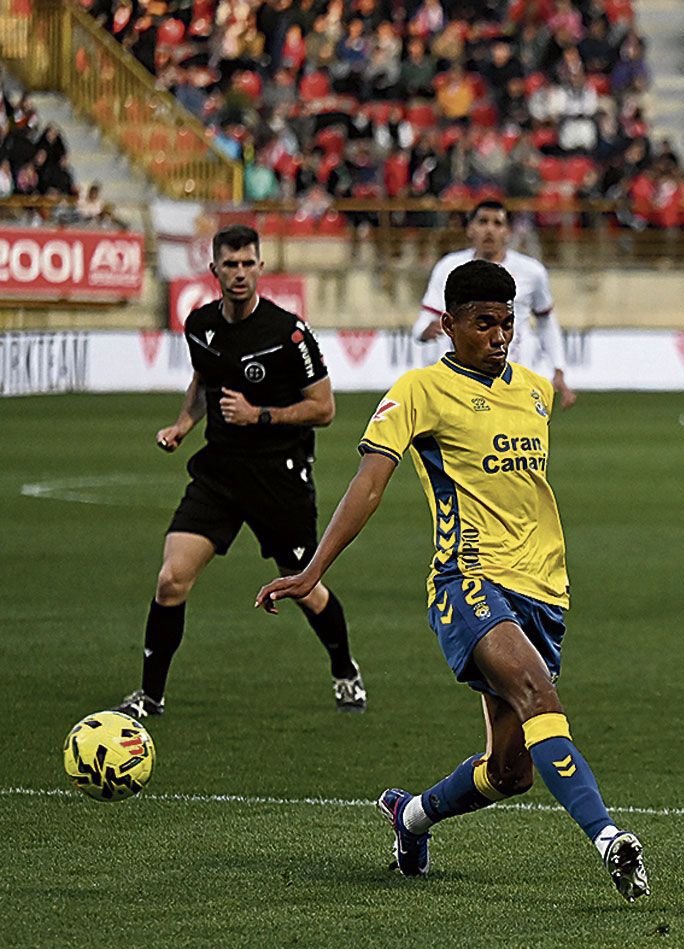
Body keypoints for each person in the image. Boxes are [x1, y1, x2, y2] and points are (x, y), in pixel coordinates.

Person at [256, 261, 647, 901]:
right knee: (539, 694)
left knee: (512, 770)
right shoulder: (418, 391)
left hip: (545, 590)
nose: (500, 335)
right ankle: (609, 839)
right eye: (484, 323)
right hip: (468, 579)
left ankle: (411, 817)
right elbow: (370, 483)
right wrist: (313, 569)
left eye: (508, 322)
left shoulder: (534, 392)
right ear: (448, 325)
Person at [121, 224, 363, 718]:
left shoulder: (289, 333)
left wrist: (261, 416)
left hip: (279, 476)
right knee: (171, 579)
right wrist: (184, 424)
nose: (239, 274)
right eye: (229, 265)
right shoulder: (199, 325)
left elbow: (324, 408)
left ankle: (345, 670)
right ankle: (150, 696)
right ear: (214, 270)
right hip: (220, 472)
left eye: (247, 264)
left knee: (302, 586)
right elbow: (204, 381)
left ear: (260, 267)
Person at [413, 200, 577, 410]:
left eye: (497, 223)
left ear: (508, 231)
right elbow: (424, 322)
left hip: (515, 377)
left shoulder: (532, 271)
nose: (489, 229)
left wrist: (559, 369)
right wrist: (423, 331)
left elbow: (546, 322)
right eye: (482, 222)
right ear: (470, 229)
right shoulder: (448, 267)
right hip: (461, 379)